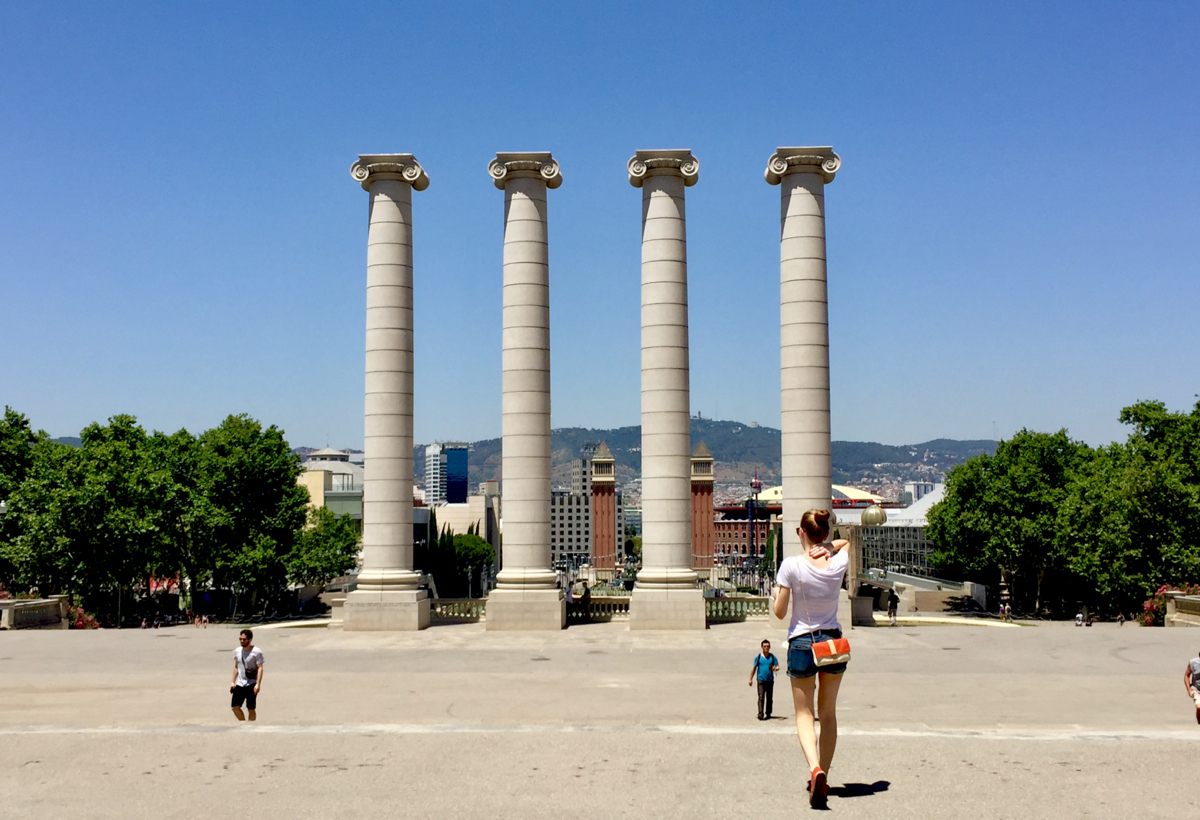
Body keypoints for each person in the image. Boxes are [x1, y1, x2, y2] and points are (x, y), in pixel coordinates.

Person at [772, 509, 851, 809]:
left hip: (803, 643)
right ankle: (825, 776)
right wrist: (831, 546)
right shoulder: (839, 561)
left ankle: (814, 768)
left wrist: (775, 593)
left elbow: (780, 613)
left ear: (800, 533)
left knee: (804, 714)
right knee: (828, 714)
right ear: (826, 533)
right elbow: (847, 545)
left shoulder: (791, 565)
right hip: (832, 642)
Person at [230, 629, 265, 722]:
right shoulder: (238, 651)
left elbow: (260, 668)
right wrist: (233, 681)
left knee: (251, 708)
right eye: (240, 639)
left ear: (249, 639)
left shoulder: (257, 652)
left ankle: (251, 726)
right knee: (234, 707)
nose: (241, 641)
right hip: (240, 683)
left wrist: (258, 684)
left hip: (251, 683)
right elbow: (236, 667)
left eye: (244, 639)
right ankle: (243, 723)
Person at [749, 639, 780, 720]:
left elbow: (777, 667)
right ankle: (760, 713)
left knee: (769, 698)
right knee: (761, 697)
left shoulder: (772, 657)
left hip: (770, 680)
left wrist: (774, 668)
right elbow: (754, 668)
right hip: (761, 680)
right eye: (764, 646)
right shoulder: (758, 657)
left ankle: (768, 713)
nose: (766, 648)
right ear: (762, 647)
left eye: (768, 646)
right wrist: (750, 679)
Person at [1185, 649, 1200, 725]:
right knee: (1198, 706)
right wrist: (1189, 690)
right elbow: (1186, 675)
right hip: (1196, 689)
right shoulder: (1193, 663)